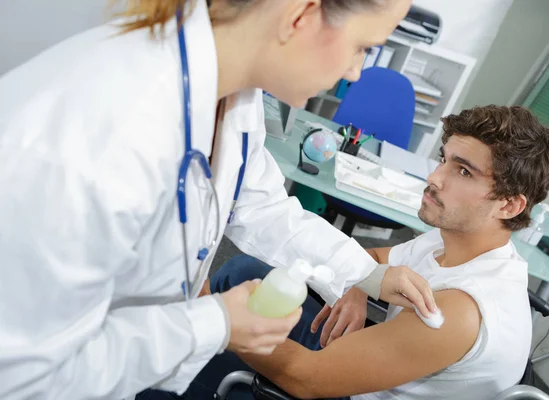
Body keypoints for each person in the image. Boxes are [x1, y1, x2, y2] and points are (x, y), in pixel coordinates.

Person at [0, 1, 442, 399]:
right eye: (362, 47)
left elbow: (259, 205)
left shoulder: (235, 97)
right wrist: (216, 323)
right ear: (300, 15)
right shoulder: (107, 130)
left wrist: (368, 274)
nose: (355, 73)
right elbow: (26, 376)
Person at [200, 105, 549, 400]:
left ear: (509, 206)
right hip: (373, 362)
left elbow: (305, 379)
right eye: (444, 159)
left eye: (464, 172)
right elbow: (375, 261)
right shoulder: (448, 242)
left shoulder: (463, 310)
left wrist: (216, 318)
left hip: (336, 385)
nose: (435, 178)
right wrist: (360, 287)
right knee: (242, 271)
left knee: (195, 345)